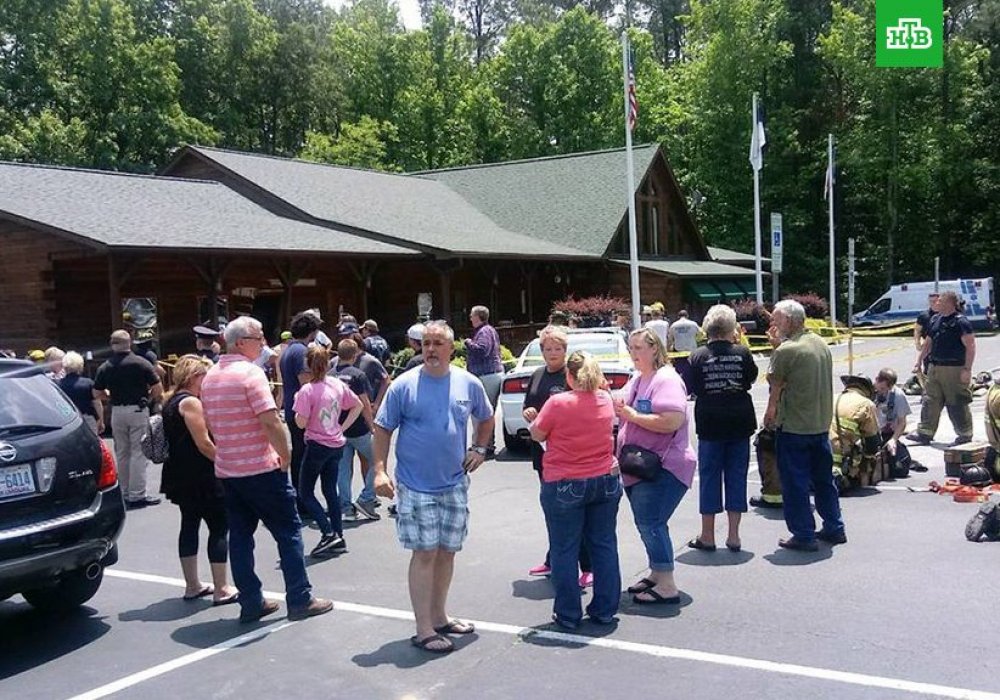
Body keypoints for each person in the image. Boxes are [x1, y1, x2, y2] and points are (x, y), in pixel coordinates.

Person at [373, 320, 494, 654]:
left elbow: (485, 418)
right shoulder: (404, 386)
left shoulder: (468, 384)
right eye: (426, 343)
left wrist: (480, 448)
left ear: (450, 348)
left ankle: (439, 616)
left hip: (454, 483)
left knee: (447, 551)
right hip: (415, 486)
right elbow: (382, 429)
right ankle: (424, 628)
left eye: (437, 343)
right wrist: (380, 471)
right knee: (425, 552)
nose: (430, 349)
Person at [201, 316, 332, 623]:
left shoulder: (210, 377)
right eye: (258, 338)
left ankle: (251, 602)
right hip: (261, 468)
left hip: (229, 470)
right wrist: (285, 456)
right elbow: (270, 420)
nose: (263, 343)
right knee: (288, 533)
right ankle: (300, 598)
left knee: (241, 538)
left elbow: (211, 423)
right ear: (240, 343)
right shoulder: (250, 373)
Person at [528, 351, 622, 629]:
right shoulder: (605, 399)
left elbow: (537, 433)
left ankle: (569, 613)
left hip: (565, 481)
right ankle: (605, 608)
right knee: (604, 544)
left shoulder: (558, 403)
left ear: (569, 376)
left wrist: (534, 421)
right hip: (604, 478)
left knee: (564, 549)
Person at [614, 327, 694, 605]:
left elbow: (672, 420)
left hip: (665, 466)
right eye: (631, 347)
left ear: (655, 349)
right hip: (639, 466)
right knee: (647, 522)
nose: (633, 353)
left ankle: (668, 585)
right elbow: (619, 403)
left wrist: (633, 416)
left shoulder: (666, 379)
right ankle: (657, 573)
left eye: (639, 348)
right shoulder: (638, 378)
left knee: (651, 522)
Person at [763, 299, 843, 551]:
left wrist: (770, 413)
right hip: (819, 424)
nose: (773, 324)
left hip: (795, 426)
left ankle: (803, 534)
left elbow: (775, 385)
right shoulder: (819, 343)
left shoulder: (787, 350)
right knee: (823, 480)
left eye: (776, 319)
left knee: (795, 483)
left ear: (788, 320)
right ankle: (834, 526)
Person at [160, 354, 238, 605]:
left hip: (179, 473)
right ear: (195, 376)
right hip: (201, 474)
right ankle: (221, 588)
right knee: (218, 526)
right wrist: (227, 462)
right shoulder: (191, 403)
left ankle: (192, 585)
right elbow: (203, 443)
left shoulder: (170, 402)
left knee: (189, 524)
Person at [522, 326, 592, 586]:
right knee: (553, 511)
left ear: (565, 350)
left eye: (557, 348)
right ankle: (554, 560)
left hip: (568, 454)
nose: (552, 353)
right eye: (548, 349)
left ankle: (587, 565)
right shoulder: (537, 375)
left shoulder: (571, 376)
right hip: (543, 454)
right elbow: (529, 406)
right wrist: (529, 412)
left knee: (575, 511)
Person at [686, 305, 758, 552]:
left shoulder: (697, 356)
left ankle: (708, 535)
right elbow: (750, 379)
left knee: (709, 477)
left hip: (710, 422)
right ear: (732, 328)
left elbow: (693, 386)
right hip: (739, 420)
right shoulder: (743, 352)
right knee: (737, 476)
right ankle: (734, 535)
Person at [293, 345, 363, 558]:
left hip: (317, 444)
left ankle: (328, 531)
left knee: (305, 491)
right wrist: (342, 427)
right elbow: (357, 404)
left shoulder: (306, 390)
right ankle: (338, 534)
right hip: (335, 442)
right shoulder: (336, 384)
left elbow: (301, 423)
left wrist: (297, 408)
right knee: (329, 490)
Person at [93, 329, 163, 509]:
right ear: (129, 343)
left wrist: (110, 397)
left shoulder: (105, 366)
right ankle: (137, 494)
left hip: (117, 411)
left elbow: (97, 393)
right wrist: (148, 398)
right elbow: (158, 388)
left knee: (122, 452)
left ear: (112, 345)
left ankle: (124, 492)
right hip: (138, 409)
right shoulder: (141, 363)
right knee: (139, 452)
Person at [907, 291, 976, 447]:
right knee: (930, 400)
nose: (937, 303)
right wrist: (919, 361)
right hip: (934, 366)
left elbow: (970, 346)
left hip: (954, 368)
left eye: (941, 301)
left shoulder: (961, 322)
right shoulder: (935, 319)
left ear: (950, 303)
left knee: (956, 401)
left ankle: (964, 434)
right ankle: (925, 433)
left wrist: (967, 369)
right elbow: (928, 343)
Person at [279, 311, 321, 514]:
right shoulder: (302, 352)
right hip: (302, 411)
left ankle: (299, 498)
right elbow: (306, 382)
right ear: (311, 332)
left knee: (298, 455)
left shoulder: (288, 350)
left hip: (291, 407)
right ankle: (305, 500)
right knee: (305, 457)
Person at [333, 339, 379, 522]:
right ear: (355, 355)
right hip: (358, 428)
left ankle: (345, 506)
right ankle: (366, 497)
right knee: (377, 461)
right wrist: (371, 425)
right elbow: (364, 404)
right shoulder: (357, 375)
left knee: (343, 469)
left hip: (338, 428)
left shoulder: (329, 375)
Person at [829, 375, 881, 492]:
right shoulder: (866, 404)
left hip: (819, 453)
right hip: (841, 459)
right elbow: (872, 442)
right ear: (867, 389)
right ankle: (845, 477)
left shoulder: (832, 398)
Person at [464, 305, 503, 456]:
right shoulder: (487, 330)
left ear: (478, 317)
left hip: (486, 375)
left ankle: (482, 446)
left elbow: (482, 349)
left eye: (472, 315)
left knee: (481, 412)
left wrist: (468, 342)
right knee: (486, 412)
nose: (470, 318)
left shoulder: (484, 331)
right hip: (489, 375)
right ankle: (487, 445)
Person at [873, 368, 914, 477]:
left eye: (888, 389)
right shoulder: (868, 393)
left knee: (900, 467)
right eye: (881, 388)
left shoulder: (898, 396)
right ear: (876, 380)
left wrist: (893, 440)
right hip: (870, 433)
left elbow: (902, 422)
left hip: (886, 435)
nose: (884, 391)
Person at [59, 351, 104, 435]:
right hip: (87, 418)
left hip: (68, 420)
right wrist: (101, 420)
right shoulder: (88, 383)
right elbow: (97, 403)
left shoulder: (58, 385)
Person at [667, 309, 700, 390]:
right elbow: (700, 335)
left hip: (679, 352)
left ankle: (681, 388)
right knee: (692, 372)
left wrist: (667, 351)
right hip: (692, 351)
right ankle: (692, 389)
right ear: (687, 316)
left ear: (678, 316)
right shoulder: (693, 324)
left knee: (680, 372)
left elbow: (670, 340)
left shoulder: (674, 325)